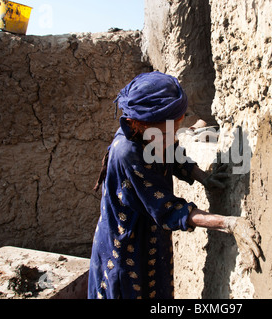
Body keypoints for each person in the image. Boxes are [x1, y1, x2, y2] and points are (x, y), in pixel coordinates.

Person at [88, 71, 260, 299]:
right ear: (135, 125)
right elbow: (168, 209)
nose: (172, 137)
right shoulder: (126, 152)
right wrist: (229, 223)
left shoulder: (155, 134)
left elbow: (173, 153)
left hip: (152, 240)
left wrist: (202, 176)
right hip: (127, 249)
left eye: (175, 128)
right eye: (165, 132)